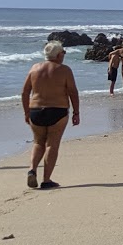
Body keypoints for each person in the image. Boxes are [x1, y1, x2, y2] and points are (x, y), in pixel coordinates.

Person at [21, 41, 80, 189]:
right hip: (57, 110)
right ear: (59, 54)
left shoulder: (35, 68)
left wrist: (26, 111)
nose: (64, 55)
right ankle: (46, 179)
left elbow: (25, 92)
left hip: (36, 109)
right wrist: (76, 112)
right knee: (52, 145)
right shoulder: (64, 70)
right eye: (63, 53)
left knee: (38, 142)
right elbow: (73, 92)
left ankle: (32, 169)